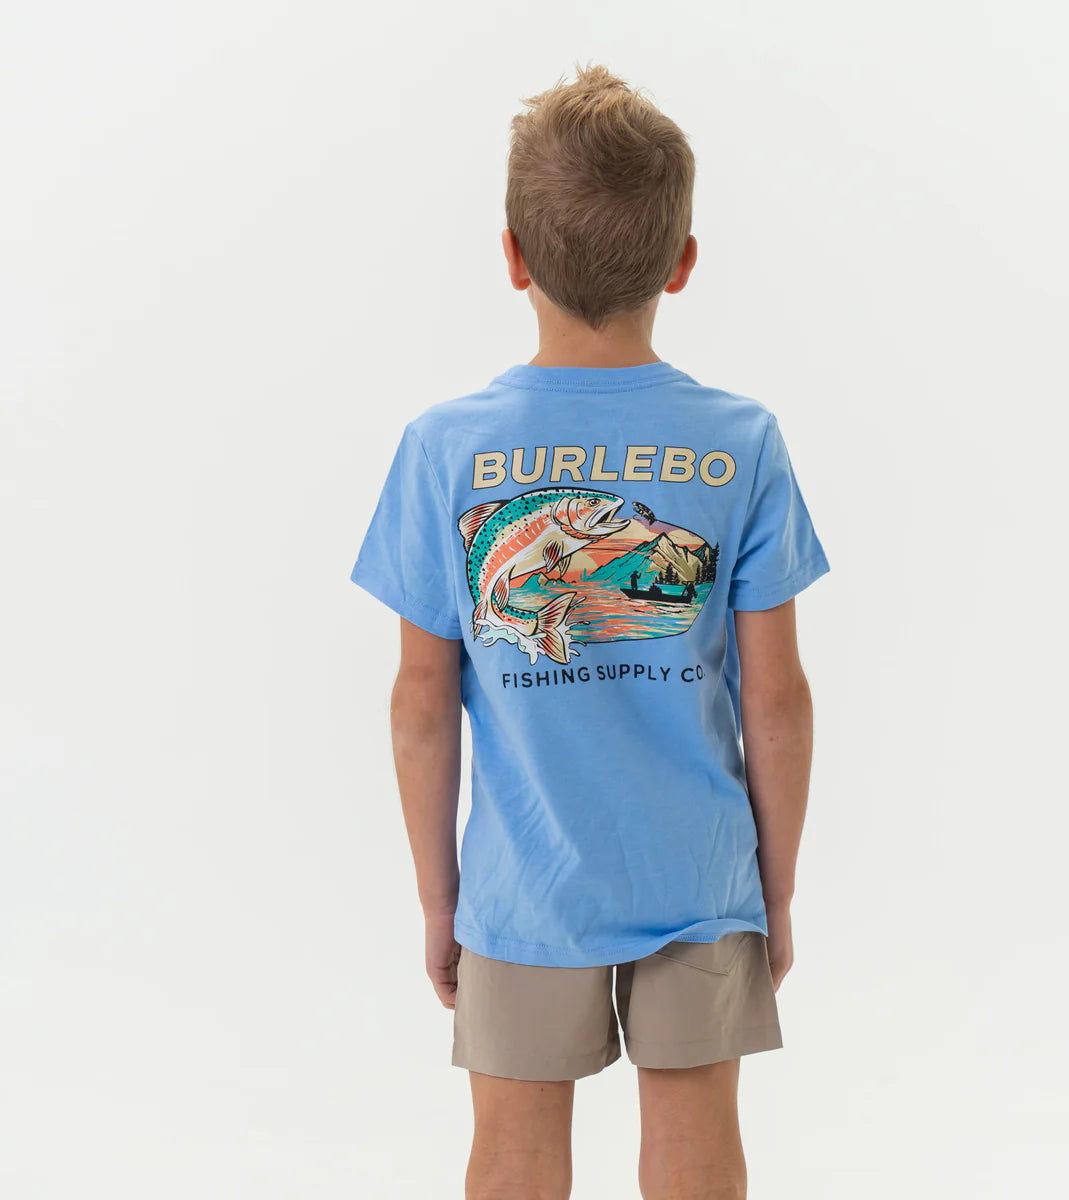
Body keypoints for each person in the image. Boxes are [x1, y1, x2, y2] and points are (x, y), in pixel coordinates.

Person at [350, 62, 830, 1200]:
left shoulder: (445, 449)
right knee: (697, 1143)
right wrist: (774, 889)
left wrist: (441, 898)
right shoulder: (741, 443)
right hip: (701, 872)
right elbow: (776, 697)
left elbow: (421, 703)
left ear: (513, 256)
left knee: (514, 1150)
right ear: (682, 261)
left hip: (522, 884)